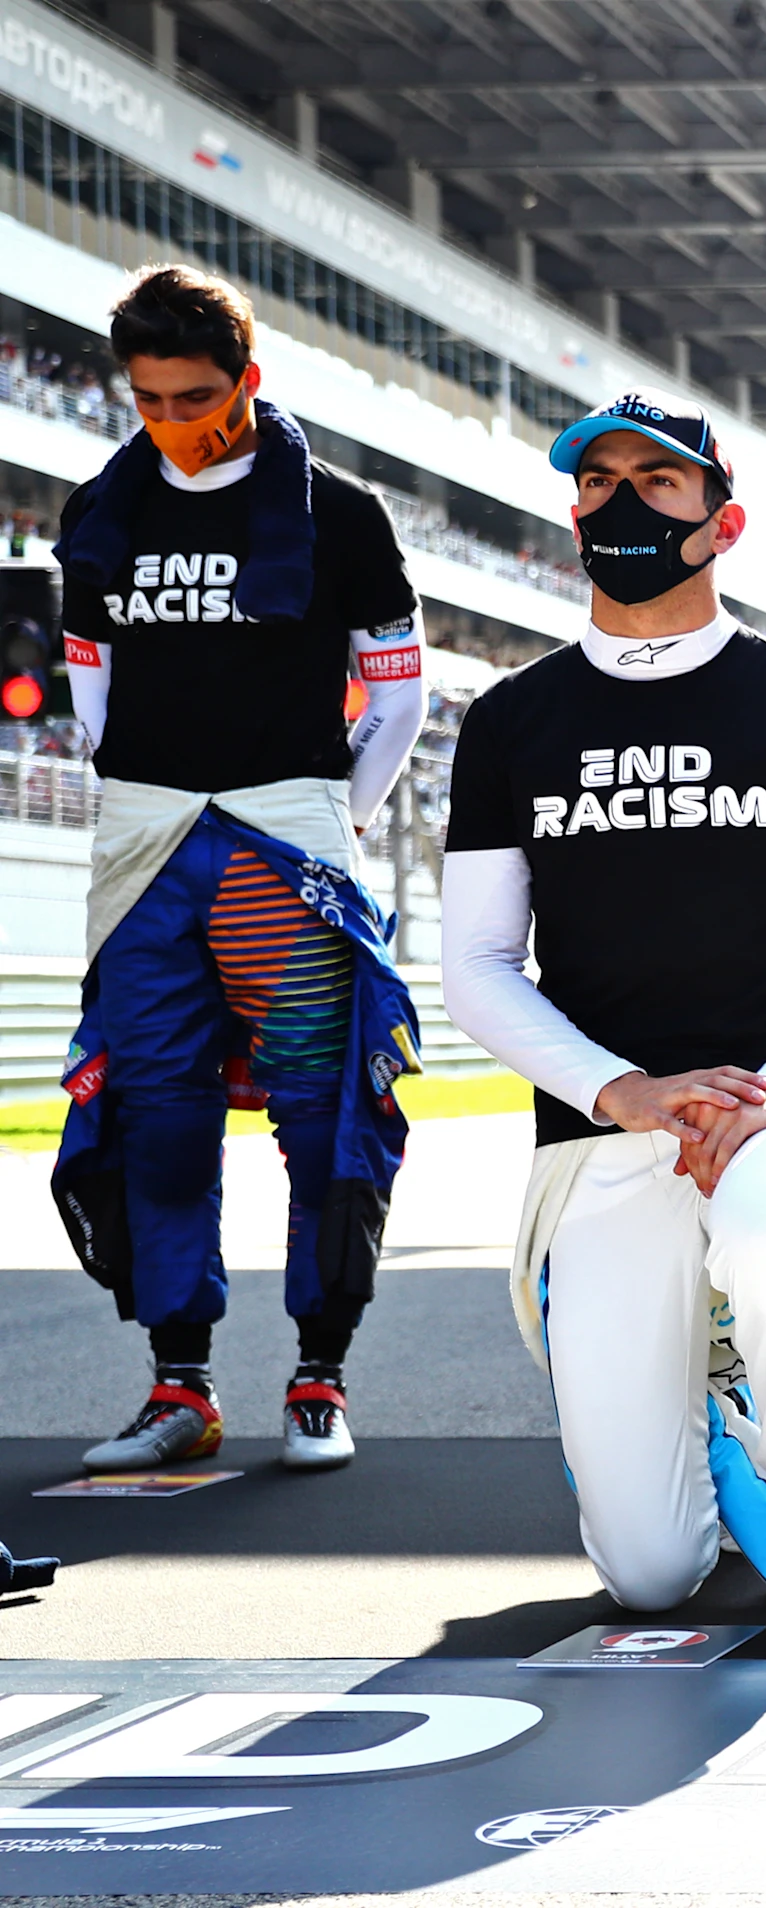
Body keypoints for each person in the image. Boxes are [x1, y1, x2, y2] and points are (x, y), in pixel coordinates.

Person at [441, 392, 766, 1657]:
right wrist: (625, 1091)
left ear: (720, 518)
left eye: (656, 482)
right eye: (599, 481)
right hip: (602, 1136)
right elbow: (474, 965)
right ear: (571, 511)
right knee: (647, 1573)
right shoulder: (513, 720)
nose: (621, 503)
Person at [47, 265, 425, 1475]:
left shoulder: (343, 511)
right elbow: (88, 674)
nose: (172, 421)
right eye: (149, 398)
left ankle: (321, 1373)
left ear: (249, 379)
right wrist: (146, 789)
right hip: (147, 845)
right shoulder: (99, 511)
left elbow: (403, 694)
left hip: (287, 843)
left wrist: (332, 818)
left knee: (324, 1118)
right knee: (154, 1118)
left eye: (197, 395)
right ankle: (180, 1384)